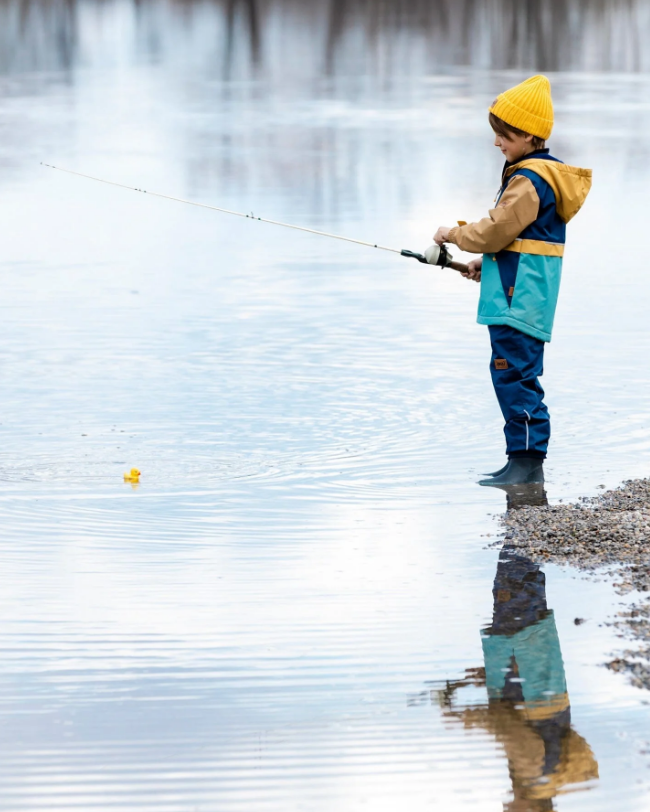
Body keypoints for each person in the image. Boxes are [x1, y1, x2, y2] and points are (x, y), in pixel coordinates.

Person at [433, 75, 592, 486]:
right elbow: (523, 242)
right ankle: (519, 459)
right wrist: (486, 266)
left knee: (514, 373)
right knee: (513, 371)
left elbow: (495, 231)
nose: (497, 143)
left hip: (516, 298)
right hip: (520, 290)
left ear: (526, 134)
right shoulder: (536, 175)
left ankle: (526, 465)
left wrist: (454, 235)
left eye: (502, 135)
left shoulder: (528, 180)